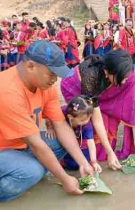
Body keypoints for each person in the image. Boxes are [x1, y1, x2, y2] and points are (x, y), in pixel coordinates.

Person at [0, 40, 94, 202]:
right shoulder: (8, 91)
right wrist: (64, 178)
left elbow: (60, 125)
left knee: (61, 141)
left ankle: (26, 170)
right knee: (33, 171)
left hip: (20, 145)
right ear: (31, 66)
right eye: (52, 74)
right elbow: (36, 144)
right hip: (4, 149)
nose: (54, 80)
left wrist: (83, 162)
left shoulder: (46, 87)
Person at [61, 49, 135, 168]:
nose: (124, 82)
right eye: (122, 79)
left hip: (97, 92)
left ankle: (99, 155)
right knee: (84, 121)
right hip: (73, 86)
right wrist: (110, 153)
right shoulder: (91, 79)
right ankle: (73, 155)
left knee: (107, 128)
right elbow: (96, 120)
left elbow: (133, 103)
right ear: (108, 72)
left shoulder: (124, 70)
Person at [45, 95, 102, 173]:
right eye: (83, 120)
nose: (86, 121)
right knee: (58, 145)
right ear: (70, 117)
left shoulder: (86, 123)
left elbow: (90, 142)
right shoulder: (61, 112)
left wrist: (94, 161)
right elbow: (49, 116)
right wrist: (50, 128)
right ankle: (61, 162)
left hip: (77, 134)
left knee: (82, 159)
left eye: (89, 118)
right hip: (62, 134)